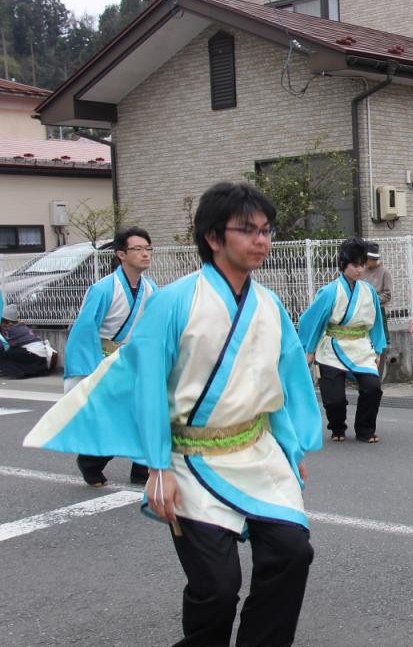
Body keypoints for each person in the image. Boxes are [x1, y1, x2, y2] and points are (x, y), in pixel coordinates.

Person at [25, 181, 323, 646]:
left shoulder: (270, 305)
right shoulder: (175, 301)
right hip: (188, 458)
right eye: (247, 230)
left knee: (291, 553)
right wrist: (157, 467)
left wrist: (291, 444)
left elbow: (276, 383)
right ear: (213, 237)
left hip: (257, 454)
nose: (261, 241)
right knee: (217, 589)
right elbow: (147, 387)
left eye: (267, 230)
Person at [66, 226, 158, 487]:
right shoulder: (103, 289)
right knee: (112, 418)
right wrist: (89, 368)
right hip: (103, 359)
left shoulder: (150, 289)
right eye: (138, 249)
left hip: (132, 359)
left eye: (148, 249)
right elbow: (84, 330)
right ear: (121, 254)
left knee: (148, 413)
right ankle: (91, 462)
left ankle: (142, 470)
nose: (145, 254)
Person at [299, 237, 387, 443]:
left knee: (372, 386)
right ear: (343, 265)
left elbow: (377, 322)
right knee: (335, 399)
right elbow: (313, 321)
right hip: (332, 347)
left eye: (362, 264)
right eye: (355, 265)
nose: (360, 269)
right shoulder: (329, 292)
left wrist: (379, 348)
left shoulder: (369, 292)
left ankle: (365, 429)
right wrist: (310, 350)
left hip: (361, 347)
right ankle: (337, 427)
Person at [0, 304, 50, 379]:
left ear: (6, 320)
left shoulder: (11, 330)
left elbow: (3, 344)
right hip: (41, 358)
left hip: (33, 354)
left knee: (3, 353)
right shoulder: (20, 326)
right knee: (11, 351)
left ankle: (17, 372)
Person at [362, 241, 393, 351]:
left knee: (380, 344)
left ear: (372, 259)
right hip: (363, 311)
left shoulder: (385, 272)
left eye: (367, 259)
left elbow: (387, 295)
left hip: (379, 311)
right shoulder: (362, 270)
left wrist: (372, 299)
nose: (365, 261)